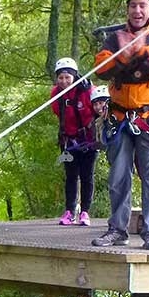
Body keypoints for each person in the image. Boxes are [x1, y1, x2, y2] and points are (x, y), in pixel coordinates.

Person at [90, 0, 149, 251]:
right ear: (128, 10)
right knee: (118, 176)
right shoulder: (115, 38)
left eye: (142, 5)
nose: (137, 10)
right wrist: (123, 54)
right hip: (119, 118)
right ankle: (118, 229)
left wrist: (142, 51)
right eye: (133, 6)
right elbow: (101, 67)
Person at [50, 56, 96, 226]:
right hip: (68, 142)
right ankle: (69, 210)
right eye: (60, 77)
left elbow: (98, 106)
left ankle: (85, 211)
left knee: (87, 176)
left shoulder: (87, 90)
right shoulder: (56, 94)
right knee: (70, 176)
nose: (64, 81)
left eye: (67, 77)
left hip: (88, 141)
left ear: (74, 76)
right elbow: (58, 112)